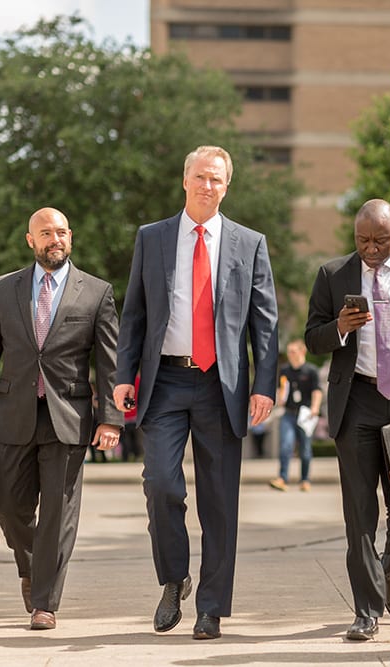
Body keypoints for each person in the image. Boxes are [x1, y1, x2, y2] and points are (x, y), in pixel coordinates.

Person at [112, 145, 279, 640]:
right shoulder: (154, 238)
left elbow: (264, 324)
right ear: (185, 180)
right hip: (164, 381)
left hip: (220, 385)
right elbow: (135, 314)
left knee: (220, 501)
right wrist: (125, 374)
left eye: (218, 180)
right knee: (160, 484)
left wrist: (264, 386)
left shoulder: (249, 243)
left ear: (227, 186)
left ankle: (211, 608)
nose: (208, 186)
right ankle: (173, 577)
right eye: (201, 177)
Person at [0, 207, 123, 631]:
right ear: (29, 240)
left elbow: (110, 362)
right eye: (46, 233)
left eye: (61, 232)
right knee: (8, 508)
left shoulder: (96, 292)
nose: (55, 239)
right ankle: (33, 567)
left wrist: (110, 419)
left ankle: (45, 603)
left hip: (68, 416)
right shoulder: (4, 288)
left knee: (58, 510)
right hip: (13, 412)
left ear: (70, 237)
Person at [305, 198, 390, 641]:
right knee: (359, 516)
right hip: (358, 402)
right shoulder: (332, 274)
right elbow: (312, 338)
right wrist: (341, 327)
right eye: (362, 240)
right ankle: (366, 611)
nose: (370, 249)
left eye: (380, 240)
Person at [269, 340, 323, 492]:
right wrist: (280, 398)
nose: (290, 355)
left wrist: (315, 408)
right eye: (289, 351)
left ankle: (305, 480)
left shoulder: (311, 371)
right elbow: (282, 388)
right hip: (289, 413)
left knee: (305, 449)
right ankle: (282, 478)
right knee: (286, 445)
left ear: (302, 352)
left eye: (293, 351)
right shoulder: (285, 370)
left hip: (305, 415)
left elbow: (317, 391)